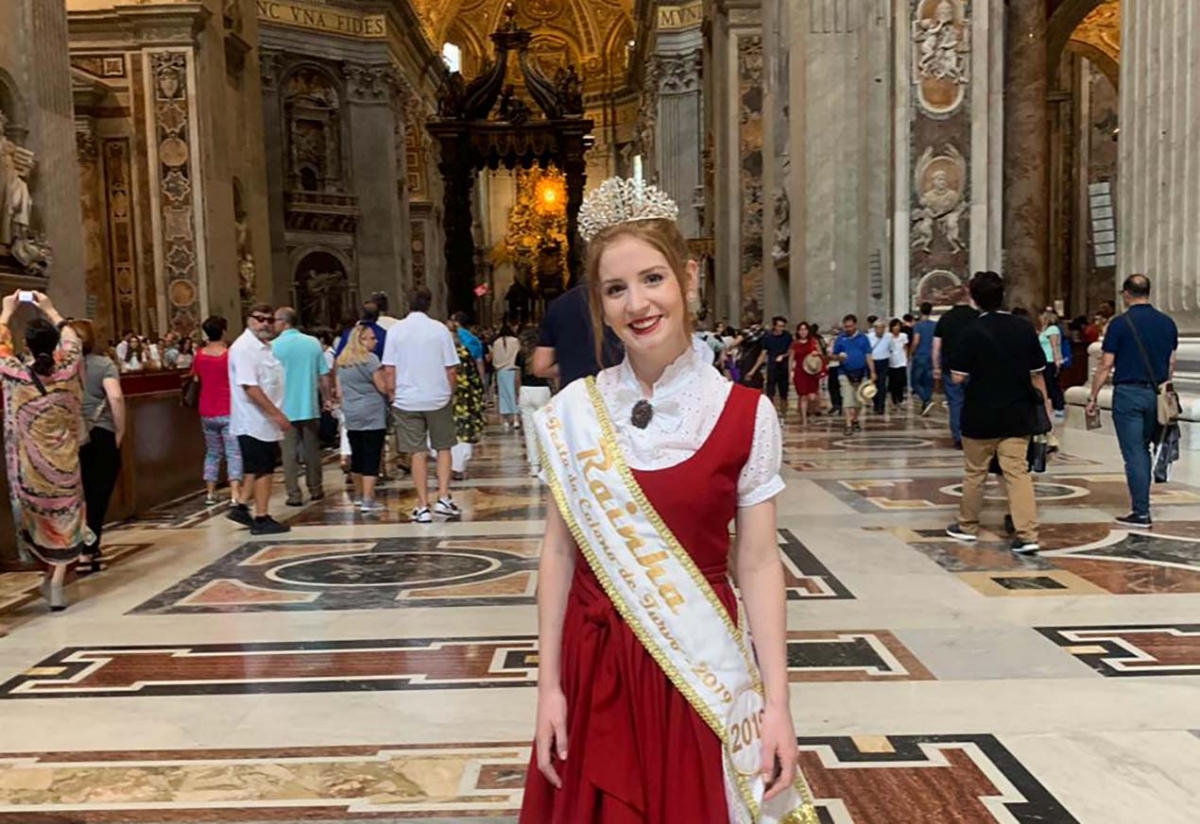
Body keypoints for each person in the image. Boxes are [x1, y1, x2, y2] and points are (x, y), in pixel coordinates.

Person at [521, 179, 813, 824]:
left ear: (687, 277)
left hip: (698, 674)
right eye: (615, 289)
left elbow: (759, 563)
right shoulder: (573, 413)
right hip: (594, 669)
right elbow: (558, 555)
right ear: (598, 303)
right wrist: (549, 689)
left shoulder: (746, 414)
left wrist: (778, 705)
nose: (637, 304)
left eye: (652, 278)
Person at [944, 271, 1052, 554]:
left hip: (980, 414)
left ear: (973, 298)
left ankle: (967, 526)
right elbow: (1037, 374)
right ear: (1002, 295)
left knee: (975, 473)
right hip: (1017, 414)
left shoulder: (970, 331)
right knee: (1017, 474)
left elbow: (957, 376)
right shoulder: (1023, 328)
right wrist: (1047, 411)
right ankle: (1027, 534)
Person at [0, 291, 91, 610]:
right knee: (67, 522)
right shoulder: (69, 369)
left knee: (39, 524)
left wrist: (5, 313)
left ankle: (49, 577)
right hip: (65, 463)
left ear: (26, 346)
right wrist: (52, 311)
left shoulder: (16, 374)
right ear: (55, 346)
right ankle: (55, 581)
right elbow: (74, 341)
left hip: (30, 468)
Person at [1086, 274, 1179, 529]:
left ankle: (1141, 511)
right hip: (1156, 394)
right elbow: (1171, 363)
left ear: (1126, 294)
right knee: (1145, 448)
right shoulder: (1167, 323)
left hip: (1129, 394)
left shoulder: (1119, 323)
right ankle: (1142, 504)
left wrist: (1093, 396)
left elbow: (1106, 364)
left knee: (1135, 452)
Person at [381, 287, 462, 523]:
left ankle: (423, 505)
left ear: (407, 302)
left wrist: (392, 393)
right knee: (444, 447)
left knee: (417, 452)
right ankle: (444, 497)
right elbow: (451, 368)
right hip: (438, 397)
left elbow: (389, 368)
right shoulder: (440, 330)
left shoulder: (396, 331)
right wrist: (450, 392)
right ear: (430, 303)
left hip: (407, 399)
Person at [226, 303, 291, 535]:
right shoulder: (244, 348)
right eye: (259, 319)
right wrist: (276, 414)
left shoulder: (264, 347)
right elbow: (250, 387)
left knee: (256, 466)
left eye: (269, 319)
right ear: (249, 320)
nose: (264, 324)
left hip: (264, 419)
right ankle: (262, 517)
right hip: (253, 419)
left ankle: (241, 506)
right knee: (264, 469)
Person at [74, 319, 127, 576]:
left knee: (78, 495)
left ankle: (79, 546)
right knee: (97, 494)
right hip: (99, 431)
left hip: (69, 436)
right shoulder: (103, 364)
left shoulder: (60, 367)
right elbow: (115, 396)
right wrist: (120, 430)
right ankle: (87, 550)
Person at [272, 307, 331, 506]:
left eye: (275, 320)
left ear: (284, 322)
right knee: (312, 450)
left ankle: (294, 495)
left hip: (283, 408)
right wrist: (327, 398)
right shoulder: (312, 343)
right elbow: (324, 375)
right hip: (308, 405)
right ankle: (316, 488)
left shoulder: (273, 347)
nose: (273, 324)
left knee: (288, 453)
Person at [336, 323, 389, 512]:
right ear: (362, 340)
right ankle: (368, 498)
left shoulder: (342, 361)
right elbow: (382, 386)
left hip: (351, 412)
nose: (376, 341)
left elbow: (339, 391)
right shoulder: (371, 359)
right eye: (372, 338)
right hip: (372, 412)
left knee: (357, 455)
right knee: (371, 455)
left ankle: (359, 495)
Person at [193, 315, 242, 506]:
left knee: (212, 452)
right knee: (233, 452)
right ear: (223, 331)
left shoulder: (199, 355)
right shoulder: (229, 355)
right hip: (228, 407)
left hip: (207, 408)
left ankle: (210, 492)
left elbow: (196, 378)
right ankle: (235, 493)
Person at [534, 282, 623, 386]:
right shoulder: (624, 300)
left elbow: (540, 367)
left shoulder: (559, 305)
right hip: (617, 386)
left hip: (574, 388)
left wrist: (569, 367)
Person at [933, 292, 980, 447]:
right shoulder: (977, 316)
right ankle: (975, 434)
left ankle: (959, 437)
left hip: (951, 366)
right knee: (975, 401)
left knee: (955, 402)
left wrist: (936, 367)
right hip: (974, 365)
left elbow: (936, 346)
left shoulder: (945, 318)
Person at [446, 317, 487, 481]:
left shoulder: (441, 354)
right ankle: (458, 467)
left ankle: (449, 466)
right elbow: (474, 376)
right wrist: (479, 392)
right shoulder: (464, 352)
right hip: (464, 398)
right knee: (462, 432)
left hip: (447, 398)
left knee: (448, 433)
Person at [832, 314, 875, 436]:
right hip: (844, 372)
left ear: (855, 325)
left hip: (862, 372)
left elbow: (868, 355)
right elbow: (833, 355)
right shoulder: (840, 339)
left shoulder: (863, 339)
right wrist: (838, 357)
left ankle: (855, 418)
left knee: (860, 399)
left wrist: (872, 371)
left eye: (850, 326)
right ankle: (848, 424)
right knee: (847, 397)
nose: (848, 329)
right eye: (846, 327)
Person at [517, 328, 552, 476]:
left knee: (529, 430)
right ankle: (546, 463)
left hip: (526, 390)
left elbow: (517, 376)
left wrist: (517, 392)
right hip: (542, 390)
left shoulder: (521, 354)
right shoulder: (543, 354)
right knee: (544, 428)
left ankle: (534, 464)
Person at [791, 321, 824, 426]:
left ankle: (811, 412)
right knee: (803, 396)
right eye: (801, 329)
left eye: (805, 329)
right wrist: (790, 373)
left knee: (812, 397)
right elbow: (791, 359)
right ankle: (804, 419)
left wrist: (816, 353)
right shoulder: (795, 344)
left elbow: (822, 355)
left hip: (812, 371)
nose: (803, 331)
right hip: (800, 372)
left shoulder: (813, 342)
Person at [1036, 310, 1066, 419]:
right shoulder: (1044, 330)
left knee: (1052, 384)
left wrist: (1057, 359)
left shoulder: (1053, 329)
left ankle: (1059, 406)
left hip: (1050, 360)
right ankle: (1050, 406)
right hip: (1043, 360)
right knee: (1047, 384)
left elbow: (1055, 346)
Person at [492, 324, 521, 429]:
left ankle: (505, 419)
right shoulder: (515, 341)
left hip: (501, 371)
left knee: (503, 395)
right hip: (513, 369)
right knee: (514, 394)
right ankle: (516, 418)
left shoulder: (496, 342)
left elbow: (494, 358)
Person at [910, 302, 937, 415]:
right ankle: (926, 403)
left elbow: (916, 340)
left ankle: (926, 399)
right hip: (932, 356)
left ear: (920, 311)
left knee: (915, 382)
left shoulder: (918, 325)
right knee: (928, 382)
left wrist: (911, 352)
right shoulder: (935, 325)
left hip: (920, 355)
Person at [763, 315, 793, 410]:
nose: (781, 329)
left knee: (784, 393)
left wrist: (783, 356)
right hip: (772, 367)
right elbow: (764, 352)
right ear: (774, 326)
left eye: (783, 326)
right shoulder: (767, 337)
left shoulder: (787, 336)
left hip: (783, 368)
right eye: (779, 326)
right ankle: (770, 412)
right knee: (770, 392)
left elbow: (790, 350)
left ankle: (784, 413)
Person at [868, 319, 892, 415]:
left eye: (882, 328)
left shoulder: (889, 337)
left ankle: (881, 406)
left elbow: (891, 348)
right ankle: (875, 402)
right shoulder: (869, 337)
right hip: (872, 361)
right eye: (878, 328)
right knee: (873, 384)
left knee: (882, 384)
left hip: (884, 361)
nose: (880, 330)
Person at [888, 317, 910, 410]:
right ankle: (894, 401)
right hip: (891, 362)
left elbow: (905, 347)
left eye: (898, 326)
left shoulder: (903, 336)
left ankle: (900, 400)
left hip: (902, 361)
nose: (896, 328)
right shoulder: (888, 336)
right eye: (894, 326)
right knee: (893, 382)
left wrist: (907, 358)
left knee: (900, 381)